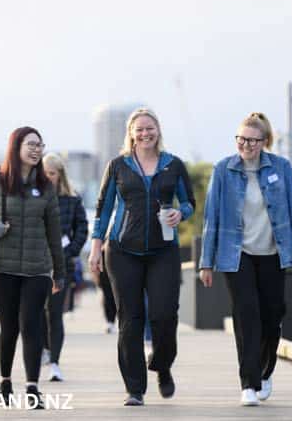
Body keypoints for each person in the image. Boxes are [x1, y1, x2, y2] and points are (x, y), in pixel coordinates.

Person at [198, 112, 292, 407]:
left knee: (272, 316)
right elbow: (212, 216)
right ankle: (248, 383)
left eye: (251, 140)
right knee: (246, 314)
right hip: (237, 255)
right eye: (240, 139)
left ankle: (264, 370)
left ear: (264, 142)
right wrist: (205, 262)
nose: (245, 145)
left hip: (274, 253)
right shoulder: (223, 170)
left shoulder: (281, 168)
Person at [88, 108, 196, 406]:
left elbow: (189, 203)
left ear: (158, 130)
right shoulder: (117, 166)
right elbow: (103, 209)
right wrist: (96, 247)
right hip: (122, 251)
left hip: (163, 251)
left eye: (150, 128)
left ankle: (162, 365)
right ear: (131, 133)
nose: (145, 133)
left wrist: (180, 213)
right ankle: (134, 388)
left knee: (164, 316)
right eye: (139, 129)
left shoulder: (173, 165)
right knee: (130, 320)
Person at [0, 127, 65, 409]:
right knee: (9, 328)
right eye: (30, 144)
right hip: (3, 270)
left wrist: (59, 272)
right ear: (16, 146)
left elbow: (54, 234)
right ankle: (5, 381)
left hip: (37, 270)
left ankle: (33, 388)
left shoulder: (46, 187)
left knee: (32, 326)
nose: (36, 149)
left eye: (40, 145)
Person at [39, 152, 89, 382]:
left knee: (55, 314)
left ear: (60, 175)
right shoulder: (33, 198)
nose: (48, 177)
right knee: (37, 312)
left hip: (62, 265)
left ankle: (55, 363)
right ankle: (44, 350)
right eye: (44, 173)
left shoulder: (72, 199)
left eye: (52, 173)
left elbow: (82, 229)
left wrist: (69, 252)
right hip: (36, 265)